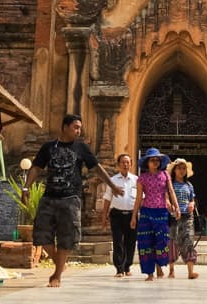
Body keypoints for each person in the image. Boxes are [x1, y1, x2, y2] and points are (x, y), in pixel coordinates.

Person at [25, 114, 123, 287]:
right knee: (41, 234)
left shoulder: (81, 148)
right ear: (64, 127)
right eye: (75, 127)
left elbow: (97, 168)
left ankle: (57, 275)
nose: (78, 131)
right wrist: (26, 187)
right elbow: (36, 167)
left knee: (67, 237)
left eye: (80, 128)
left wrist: (113, 185)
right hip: (49, 196)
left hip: (71, 198)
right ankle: (60, 263)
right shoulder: (48, 147)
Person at [130, 147, 180, 281]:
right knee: (146, 242)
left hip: (162, 211)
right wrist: (134, 216)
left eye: (157, 160)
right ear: (147, 162)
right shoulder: (142, 178)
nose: (155, 162)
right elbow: (139, 198)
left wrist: (177, 207)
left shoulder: (165, 175)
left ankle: (159, 266)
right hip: (146, 211)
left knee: (161, 241)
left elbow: (171, 191)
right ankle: (149, 273)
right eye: (152, 160)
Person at [100, 153, 138, 277]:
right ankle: (119, 269)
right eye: (123, 162)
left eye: (128, 162)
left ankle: (127, 267)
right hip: (116, 214)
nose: (125, 164)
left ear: (131, 164)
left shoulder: (136, 180)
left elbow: (140, 198)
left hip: (132, 215)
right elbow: (107, 198)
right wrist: (104, 216)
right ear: (118, 165)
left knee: (130, 242)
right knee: (118, 241)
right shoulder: (113, 180)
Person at [167, 157, 199, 279]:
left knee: (189, 241)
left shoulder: (189, 185)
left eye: (184, 168)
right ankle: (171, 270)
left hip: (187, 216)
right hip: (173, 217)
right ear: (174, 170)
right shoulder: (170, 185)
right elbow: (166, 198)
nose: (182, 171)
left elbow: (192, 199)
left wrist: (192, 203)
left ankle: (190, 272)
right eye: (179, 168)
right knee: (173, 242)